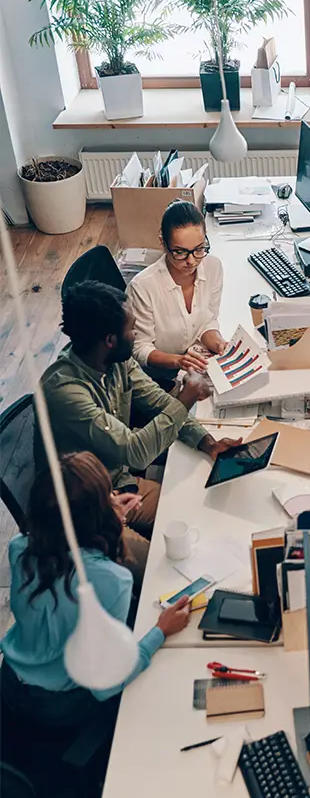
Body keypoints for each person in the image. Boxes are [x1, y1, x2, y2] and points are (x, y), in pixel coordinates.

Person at [38, 280, 239, 578]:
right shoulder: (66, 392)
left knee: (197, 518)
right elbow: (135, 452)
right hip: (85, 516)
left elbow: (159, 403)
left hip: (120, 484)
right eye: (132, 329)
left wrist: (206, 442)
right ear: (109, 339)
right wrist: (185, 397)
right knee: (168, 570)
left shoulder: (115, 360)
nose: (135, 336)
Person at [0, 452, 191, 731]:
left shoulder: (19, 547)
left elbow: (69, 570)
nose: (115, 496)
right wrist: (160, 631)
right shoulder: (112, 580)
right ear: (97, 515)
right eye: (108, 494)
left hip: (10, 679)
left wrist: (104, 516)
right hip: (59, 704)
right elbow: (107, 685)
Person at [128, 200, 227, 391]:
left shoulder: (213, 267)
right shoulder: (143, 287)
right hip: (157, 378)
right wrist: (178, 361)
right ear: (163, 244)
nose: (191, 261)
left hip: (195, 361)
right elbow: (140, 348)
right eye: (180, 252)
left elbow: (207, 321)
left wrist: (218, 343)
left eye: (199, 249)